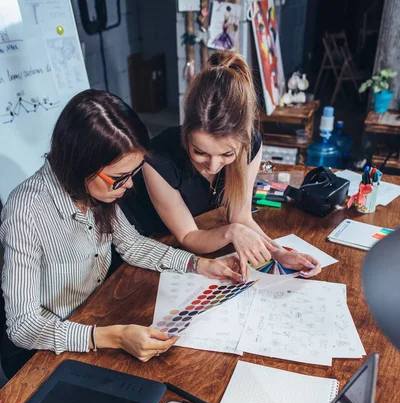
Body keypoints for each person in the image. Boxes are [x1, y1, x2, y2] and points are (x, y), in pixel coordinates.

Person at [0, 89, 242, 379]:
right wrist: (112, 337)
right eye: (119, 178)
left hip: (95, 315)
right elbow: (23, 326)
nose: (128, 186)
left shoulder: (96, 189)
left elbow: (131, 245)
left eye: (134, 173)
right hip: (43, 352)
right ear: (81, 165)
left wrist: (200, 265)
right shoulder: (25, 211)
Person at [129, 50, 321, 279]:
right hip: (145, 240)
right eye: (199, 152)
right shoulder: (158, 159)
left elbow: (241, 217)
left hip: (185, 243)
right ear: (185, 131)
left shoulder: (251, 145)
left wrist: (279, 254)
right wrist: (231, 232)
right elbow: (189, 237)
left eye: (227, 154)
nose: (213, 165)